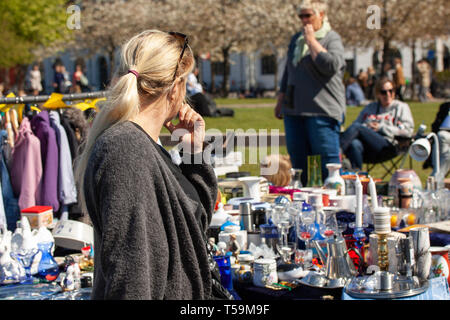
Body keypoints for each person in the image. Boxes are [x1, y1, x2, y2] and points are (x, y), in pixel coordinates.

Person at [74, 30, 232, 300]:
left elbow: (192, 229)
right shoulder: (125, 150)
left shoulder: (143, 143)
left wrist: (193, 151)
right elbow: (132, 277)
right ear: (175, 88)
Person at [274, 0, 346, 186]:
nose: (304, 20)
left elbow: (331, 66)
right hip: (295, 111)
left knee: (327, 165)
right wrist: (281, 98)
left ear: (321, 14)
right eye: (301, 16)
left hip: (322, 111)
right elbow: (289, 71)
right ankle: (304, 205)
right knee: (298, 165)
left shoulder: (331, 39)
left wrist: (312, 42)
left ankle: (335, 208)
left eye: (308, 15)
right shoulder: (296, 40)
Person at [340, 78, 414, 170]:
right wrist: (367, 128)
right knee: (354, 144)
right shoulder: (370, 108)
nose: (388, 94)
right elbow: (356, 123)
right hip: (367, 149)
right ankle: (357, 176)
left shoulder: (401, 107)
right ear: (378, 94)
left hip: (389, 146)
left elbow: (408, 131)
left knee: (357, 128)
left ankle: (336, 153)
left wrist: (381, 127)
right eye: (384, 92)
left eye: (391, 91)